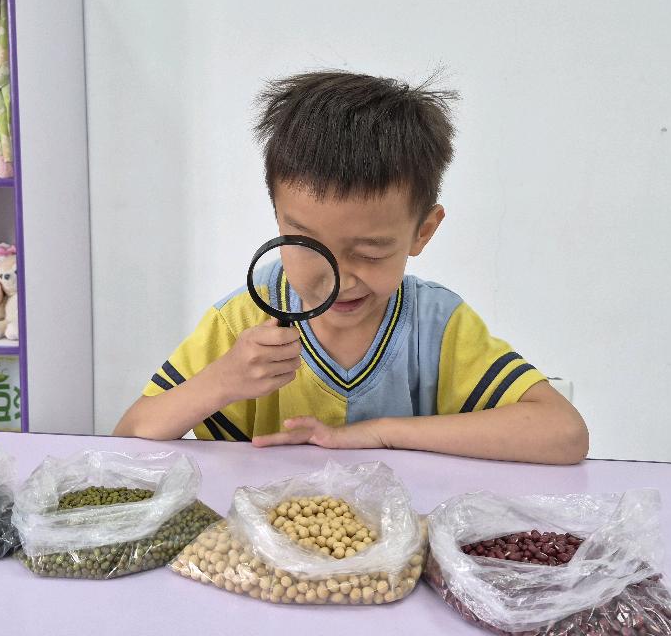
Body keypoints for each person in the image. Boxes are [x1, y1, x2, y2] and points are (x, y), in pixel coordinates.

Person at [114, 71, 588, 464]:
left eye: (370, 252)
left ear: (422, 232)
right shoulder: (241, 323)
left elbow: (563, 434)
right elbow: (130, 435)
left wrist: (380, 433)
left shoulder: (436, 326)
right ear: (279, 217)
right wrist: (222, 381)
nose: (336, 281)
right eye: (307, 245)